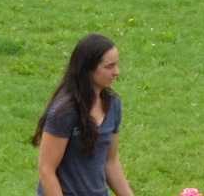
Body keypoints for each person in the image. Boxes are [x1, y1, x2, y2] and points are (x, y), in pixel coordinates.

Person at [33, 33, 134, 196]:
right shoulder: (64, 112)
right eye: (109, 66)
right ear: (87, 69)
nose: (117, 72)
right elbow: (47, 170)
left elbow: (110, 161)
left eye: (116, 65)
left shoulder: (113, 104)